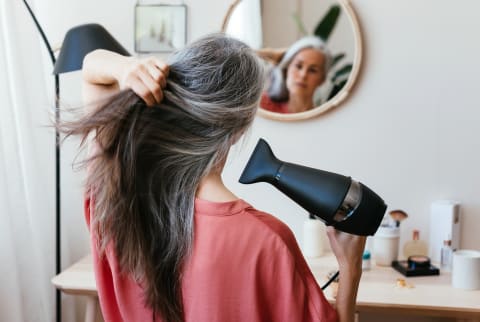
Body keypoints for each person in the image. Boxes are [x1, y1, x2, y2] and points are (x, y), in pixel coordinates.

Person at [60, 34, 365, 322]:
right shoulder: (267, 240)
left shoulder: (116, 195)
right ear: (239, 130)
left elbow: (91, 70)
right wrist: (350, 269)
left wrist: (126, 67)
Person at [261, 36, 332, 114]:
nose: (303, 75)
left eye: (312, 70)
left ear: (322, 79)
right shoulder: (262, 105)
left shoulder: (323, 118)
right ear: (286, 69)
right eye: (298, 66)